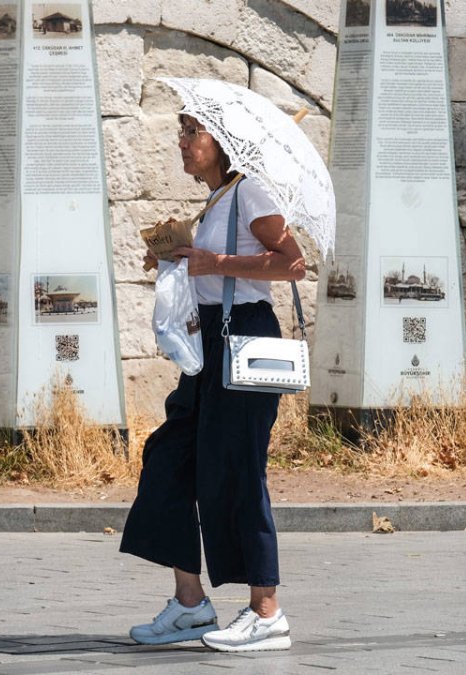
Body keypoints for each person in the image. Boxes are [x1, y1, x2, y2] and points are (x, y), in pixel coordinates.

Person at [119, 114, 306, 653]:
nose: (181, 142)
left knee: (238, 470)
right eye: (182, 131)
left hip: (242, 337)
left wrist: (213, 262)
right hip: (208, 346)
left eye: (191, 132)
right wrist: (175, 262)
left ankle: (266, 611)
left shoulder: (250, 192)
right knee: (168, 458)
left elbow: (292, 265)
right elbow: (212, 272)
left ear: (222, 142)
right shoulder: (218, 198)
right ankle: (190, 604)